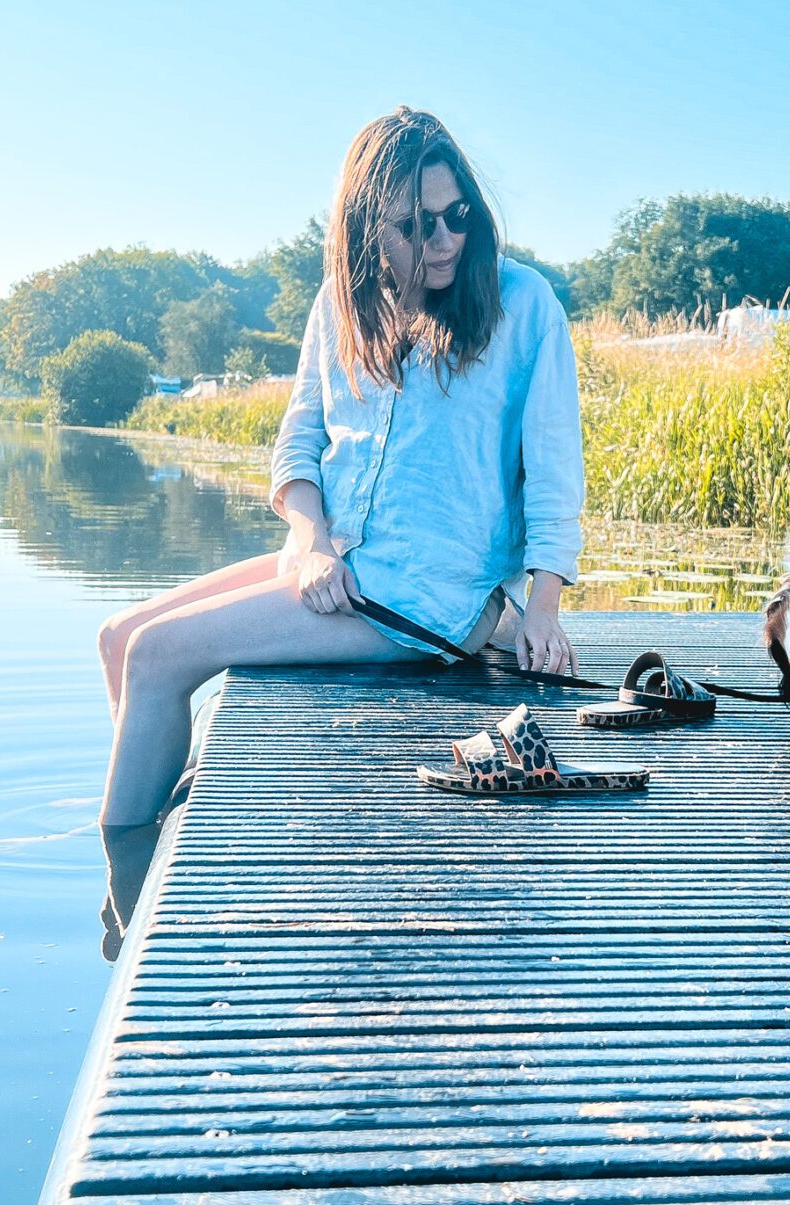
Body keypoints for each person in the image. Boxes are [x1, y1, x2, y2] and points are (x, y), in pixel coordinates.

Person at [95, 108, 585, 827]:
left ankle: (121, 870)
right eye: (416, 226)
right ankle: (145, 819)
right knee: (117, 636)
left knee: (156, 656)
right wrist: (312, 541)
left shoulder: (524, 304)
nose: (445, 240)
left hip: (426, 599)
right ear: (367, 227)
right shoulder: (342, 304)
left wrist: (542, 611)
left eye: (459, 216)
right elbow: (299, 441)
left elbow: (553, 472)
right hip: (339, 565)